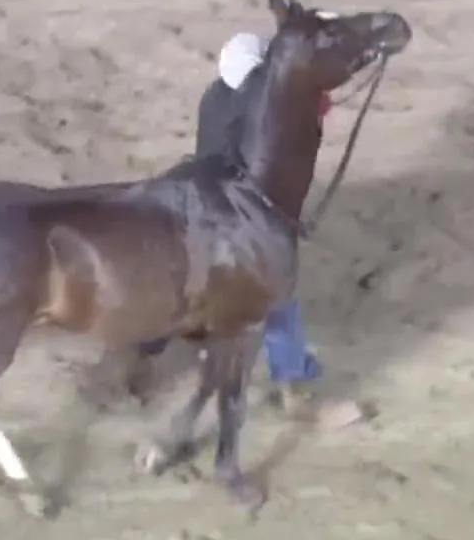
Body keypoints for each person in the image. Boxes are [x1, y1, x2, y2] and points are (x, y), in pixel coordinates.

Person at [135, 25, 332, 411]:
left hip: (199, 204)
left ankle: (143, 356)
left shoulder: (214, 96)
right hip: (239, 216)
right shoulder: (260, 111)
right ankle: (292, 384)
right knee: (278, 297)